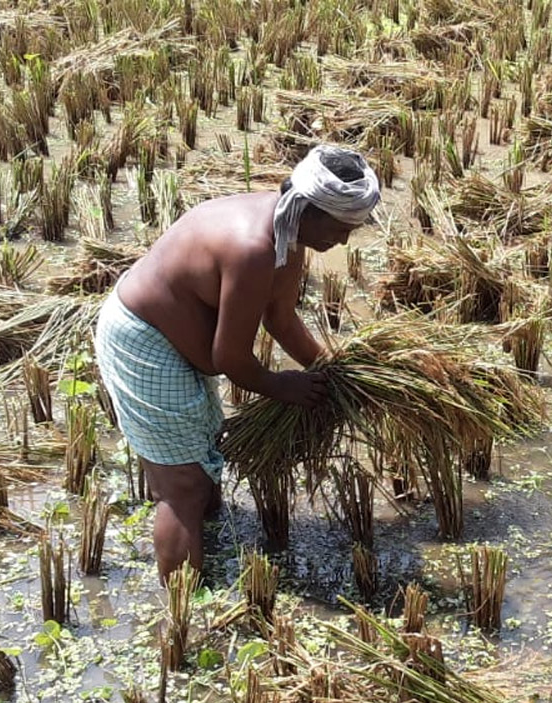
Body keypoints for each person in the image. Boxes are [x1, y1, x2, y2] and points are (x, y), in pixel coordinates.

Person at [94, 144, 380, 581]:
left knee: (200, 453)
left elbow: (281, 320)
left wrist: (334, 372)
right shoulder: (254, 249)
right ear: (311, 208)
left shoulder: (287, 231)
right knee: (183, 488)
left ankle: (200, 539)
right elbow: (228, 357)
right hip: (144, 340)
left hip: (175, 341)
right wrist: (283, 387)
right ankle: (181, 611)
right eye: (341, 227)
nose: (342, 240)